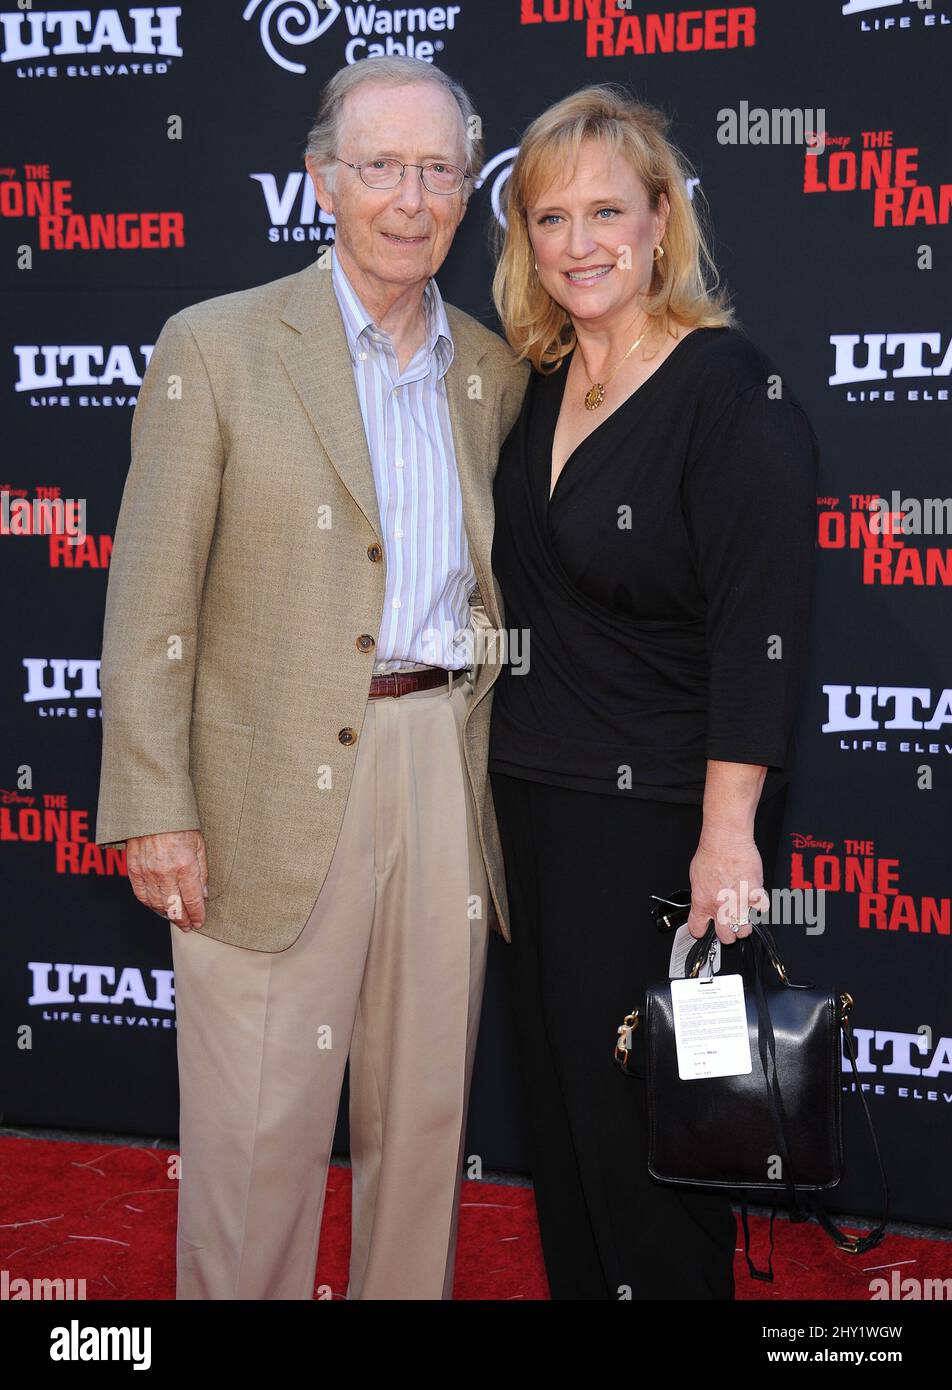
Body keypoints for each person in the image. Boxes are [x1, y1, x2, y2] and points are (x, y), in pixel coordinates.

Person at [94, 55, 529, 1300]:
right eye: (378, 166)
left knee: (427, 1123)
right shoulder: (218, 346)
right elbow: (148, 599)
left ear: (466, 188)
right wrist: (154, 805)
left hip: (441, 766)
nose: (408, 196)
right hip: (258, 788)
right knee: (254, 1141)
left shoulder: (493, 375)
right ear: (320, 181)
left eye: (436, 169)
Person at [487, 85, 819, 1300]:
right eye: (550, 216)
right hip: (530, 808)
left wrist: (727, 836)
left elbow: (764, 633)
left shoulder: (729, 392)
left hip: (656, 822)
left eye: (607, 211)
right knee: (568, 1135)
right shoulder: (535, 381)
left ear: (663, 220)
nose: (580, 242)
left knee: (648, 1153)